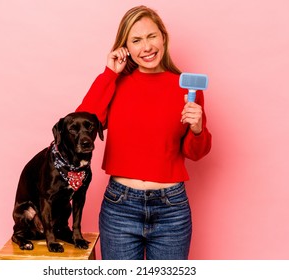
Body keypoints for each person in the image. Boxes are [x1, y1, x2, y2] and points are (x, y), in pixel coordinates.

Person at [75, 5, 212, 260]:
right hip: (120, 208)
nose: (146, 47)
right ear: (125, 47)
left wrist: (197, 128)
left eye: (151, 36)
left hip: (172, 209)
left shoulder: (187, 88)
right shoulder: (115, 84)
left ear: (163, 36)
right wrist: (109, 73)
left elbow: (196, 153)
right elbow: (82, 123)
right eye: (136, 40)